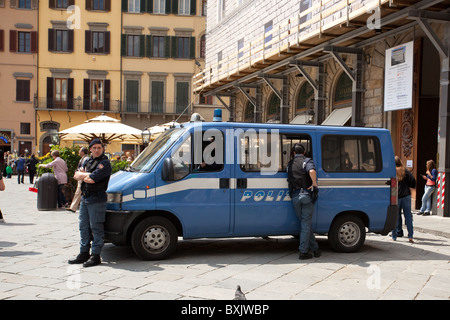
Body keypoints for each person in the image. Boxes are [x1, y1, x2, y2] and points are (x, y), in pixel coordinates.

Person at [69, 139, 112, 267]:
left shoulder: (104, 163)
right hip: (85, 198)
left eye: (99, 148)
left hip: (97, 199)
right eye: (94, 148)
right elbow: (76, 175)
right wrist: (86, 175)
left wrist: (86, 175)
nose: (97, 150)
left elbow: (92, 180)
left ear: (102, 149)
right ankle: (83, 253)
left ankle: (95, 255)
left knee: (96, 228)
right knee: (83, 227)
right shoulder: (87, 161)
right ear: (90, 149)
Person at [287, 143, 320, 260]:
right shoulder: (307, 161)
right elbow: (311, 171)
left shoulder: (289, 164)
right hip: (306, 196)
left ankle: (315, 248)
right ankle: (303, 252)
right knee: (306, 224)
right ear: (304, 152)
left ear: (294, 153)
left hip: (295, 197)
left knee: (305, 224)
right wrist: (314, 183)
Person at [392, 156, 416, 243]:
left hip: (396, 196)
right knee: (408, 216)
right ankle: (410, 236)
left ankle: (394, 236)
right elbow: (413, 180)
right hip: (406, 196)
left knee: (395, 216)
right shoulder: (405, 170)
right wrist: (410, 186)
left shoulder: (393, 171)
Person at [66, 147, 89, 213]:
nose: (79, 152)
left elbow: (83, 168)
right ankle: (73, 207)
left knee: (78, 192)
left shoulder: (85, 159)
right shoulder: (83, 158)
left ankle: (73, 207)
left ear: (83, 152)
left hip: (82, 177)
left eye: (80, 150)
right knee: (78, 192)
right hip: (81, 176)